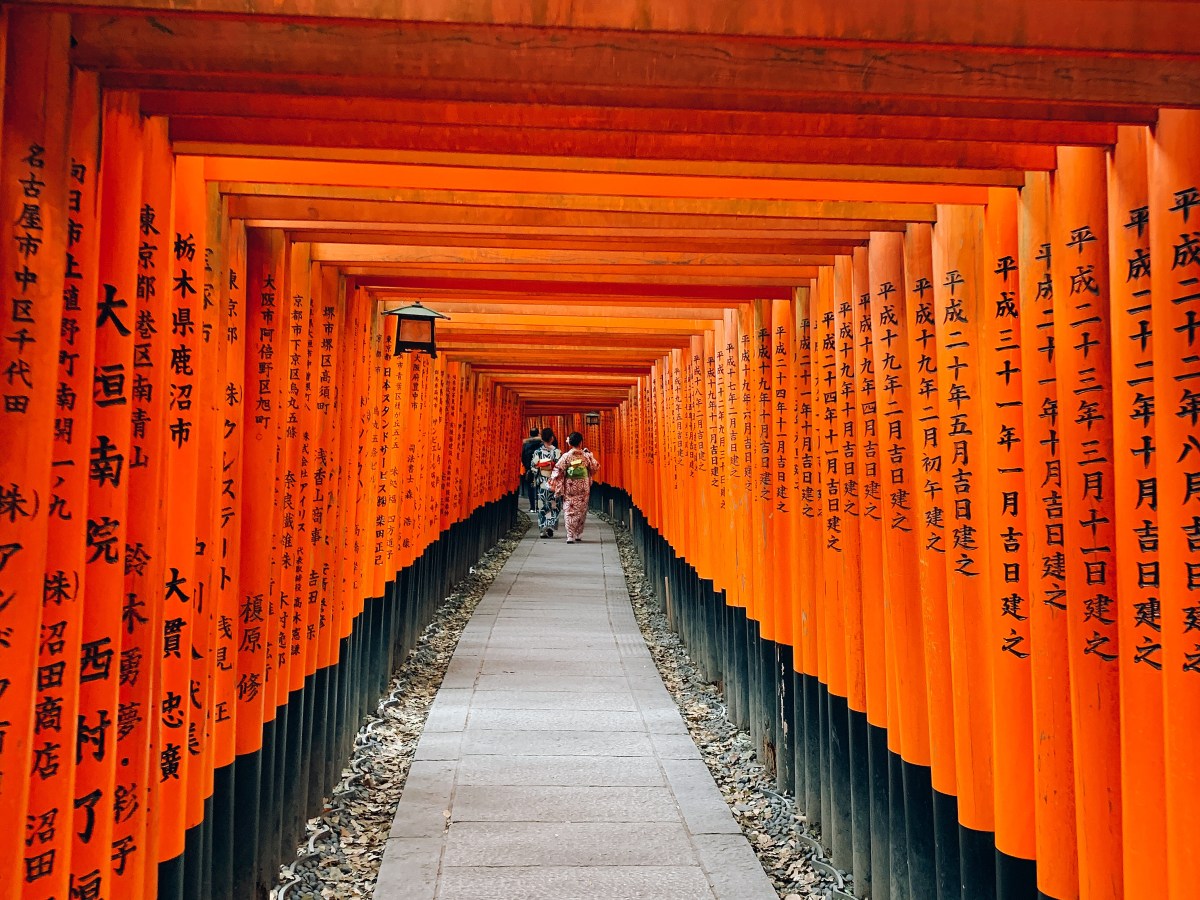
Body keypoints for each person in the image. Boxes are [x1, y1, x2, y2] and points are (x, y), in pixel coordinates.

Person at [549, 431, 600, 544]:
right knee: (582, 509)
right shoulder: (586, 455)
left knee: (569, 509)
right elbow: (595, 467)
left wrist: (554, 481)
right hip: (583, 486)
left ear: (569, 443)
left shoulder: (566, 456)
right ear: (581, 442)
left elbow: (558, 469)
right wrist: (590, 455)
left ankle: (570, 535)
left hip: (570, 485)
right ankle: (578, 533)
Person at [529, 427, 562, 538]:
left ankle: (543, 528)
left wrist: (540, 468)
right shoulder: (557, 452)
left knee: (542, 505)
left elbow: (533, 467)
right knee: (553, 505)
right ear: (552, 438)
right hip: (554, 482)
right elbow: (561, 468)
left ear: (542, 439)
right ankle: (550, 525)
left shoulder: (537, 452)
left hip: (543, 481)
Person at [519, 427, 541, 512]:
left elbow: (523, 457)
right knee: (539, 488)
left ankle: (532, 507)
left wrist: (526, 466)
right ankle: (539, 506)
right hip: (540, 468)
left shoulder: (526, 444)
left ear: (530, 434)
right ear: (538, 433)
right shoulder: (541, 444)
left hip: (529, 469)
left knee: (531, 488)